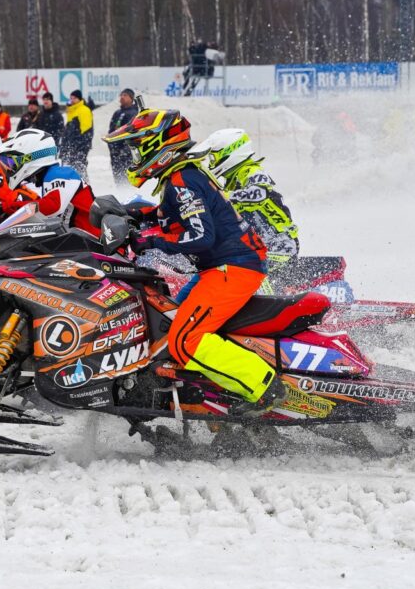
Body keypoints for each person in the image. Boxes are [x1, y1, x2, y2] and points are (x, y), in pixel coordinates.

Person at [103, 109, 284, 410]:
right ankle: (207, 398)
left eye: (138, 147)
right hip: (222, 266)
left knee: (185, 339)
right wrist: (135, 215)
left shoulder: (182, 179)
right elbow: (177, 219)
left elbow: (201, 236)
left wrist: (148, 240)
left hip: (233, 267)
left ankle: (264, 387)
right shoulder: (182, 175)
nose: (134, 155)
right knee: (169, 323)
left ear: (157, 145)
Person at [189, 129, 299, 293]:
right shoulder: (232, 181)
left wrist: (224, 197)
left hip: (281, 245)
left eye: (213, 157)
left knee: (247, 268)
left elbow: (260, 192)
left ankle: (267, 302)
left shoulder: (251, 170)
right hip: (262, 244)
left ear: (230, 153)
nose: (211, 163)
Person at [0, 128, 97, 236]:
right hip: (77, 242)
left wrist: (11, 208)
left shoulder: (61, 173)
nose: (9, 168)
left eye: (11, 161)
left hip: (95, 243)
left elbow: (53, 206)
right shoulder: (44, 180)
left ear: (30, 157)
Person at [107, 88, 139, 186]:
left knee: (127, 179)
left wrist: (125, 150)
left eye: (125, 95)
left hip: (127, 154)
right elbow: (111, 131)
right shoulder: (118, 113)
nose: (122, 97)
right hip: (115, 153)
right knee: (118, 179)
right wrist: (112, 147)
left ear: (131, 98)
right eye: (121, 95)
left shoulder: (134, 113)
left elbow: (133, 133)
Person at [62, 89, 93, 180]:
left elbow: (86, 130)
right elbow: (69, 130)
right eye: (71, 98)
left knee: (80, 167)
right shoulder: (71, 111)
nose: (72, 100)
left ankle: (85, 186)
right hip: (71, 146)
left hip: (80, 146)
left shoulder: (84, 110)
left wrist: (80, 145)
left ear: (79, 99)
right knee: (72, 169)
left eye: (74, 98)